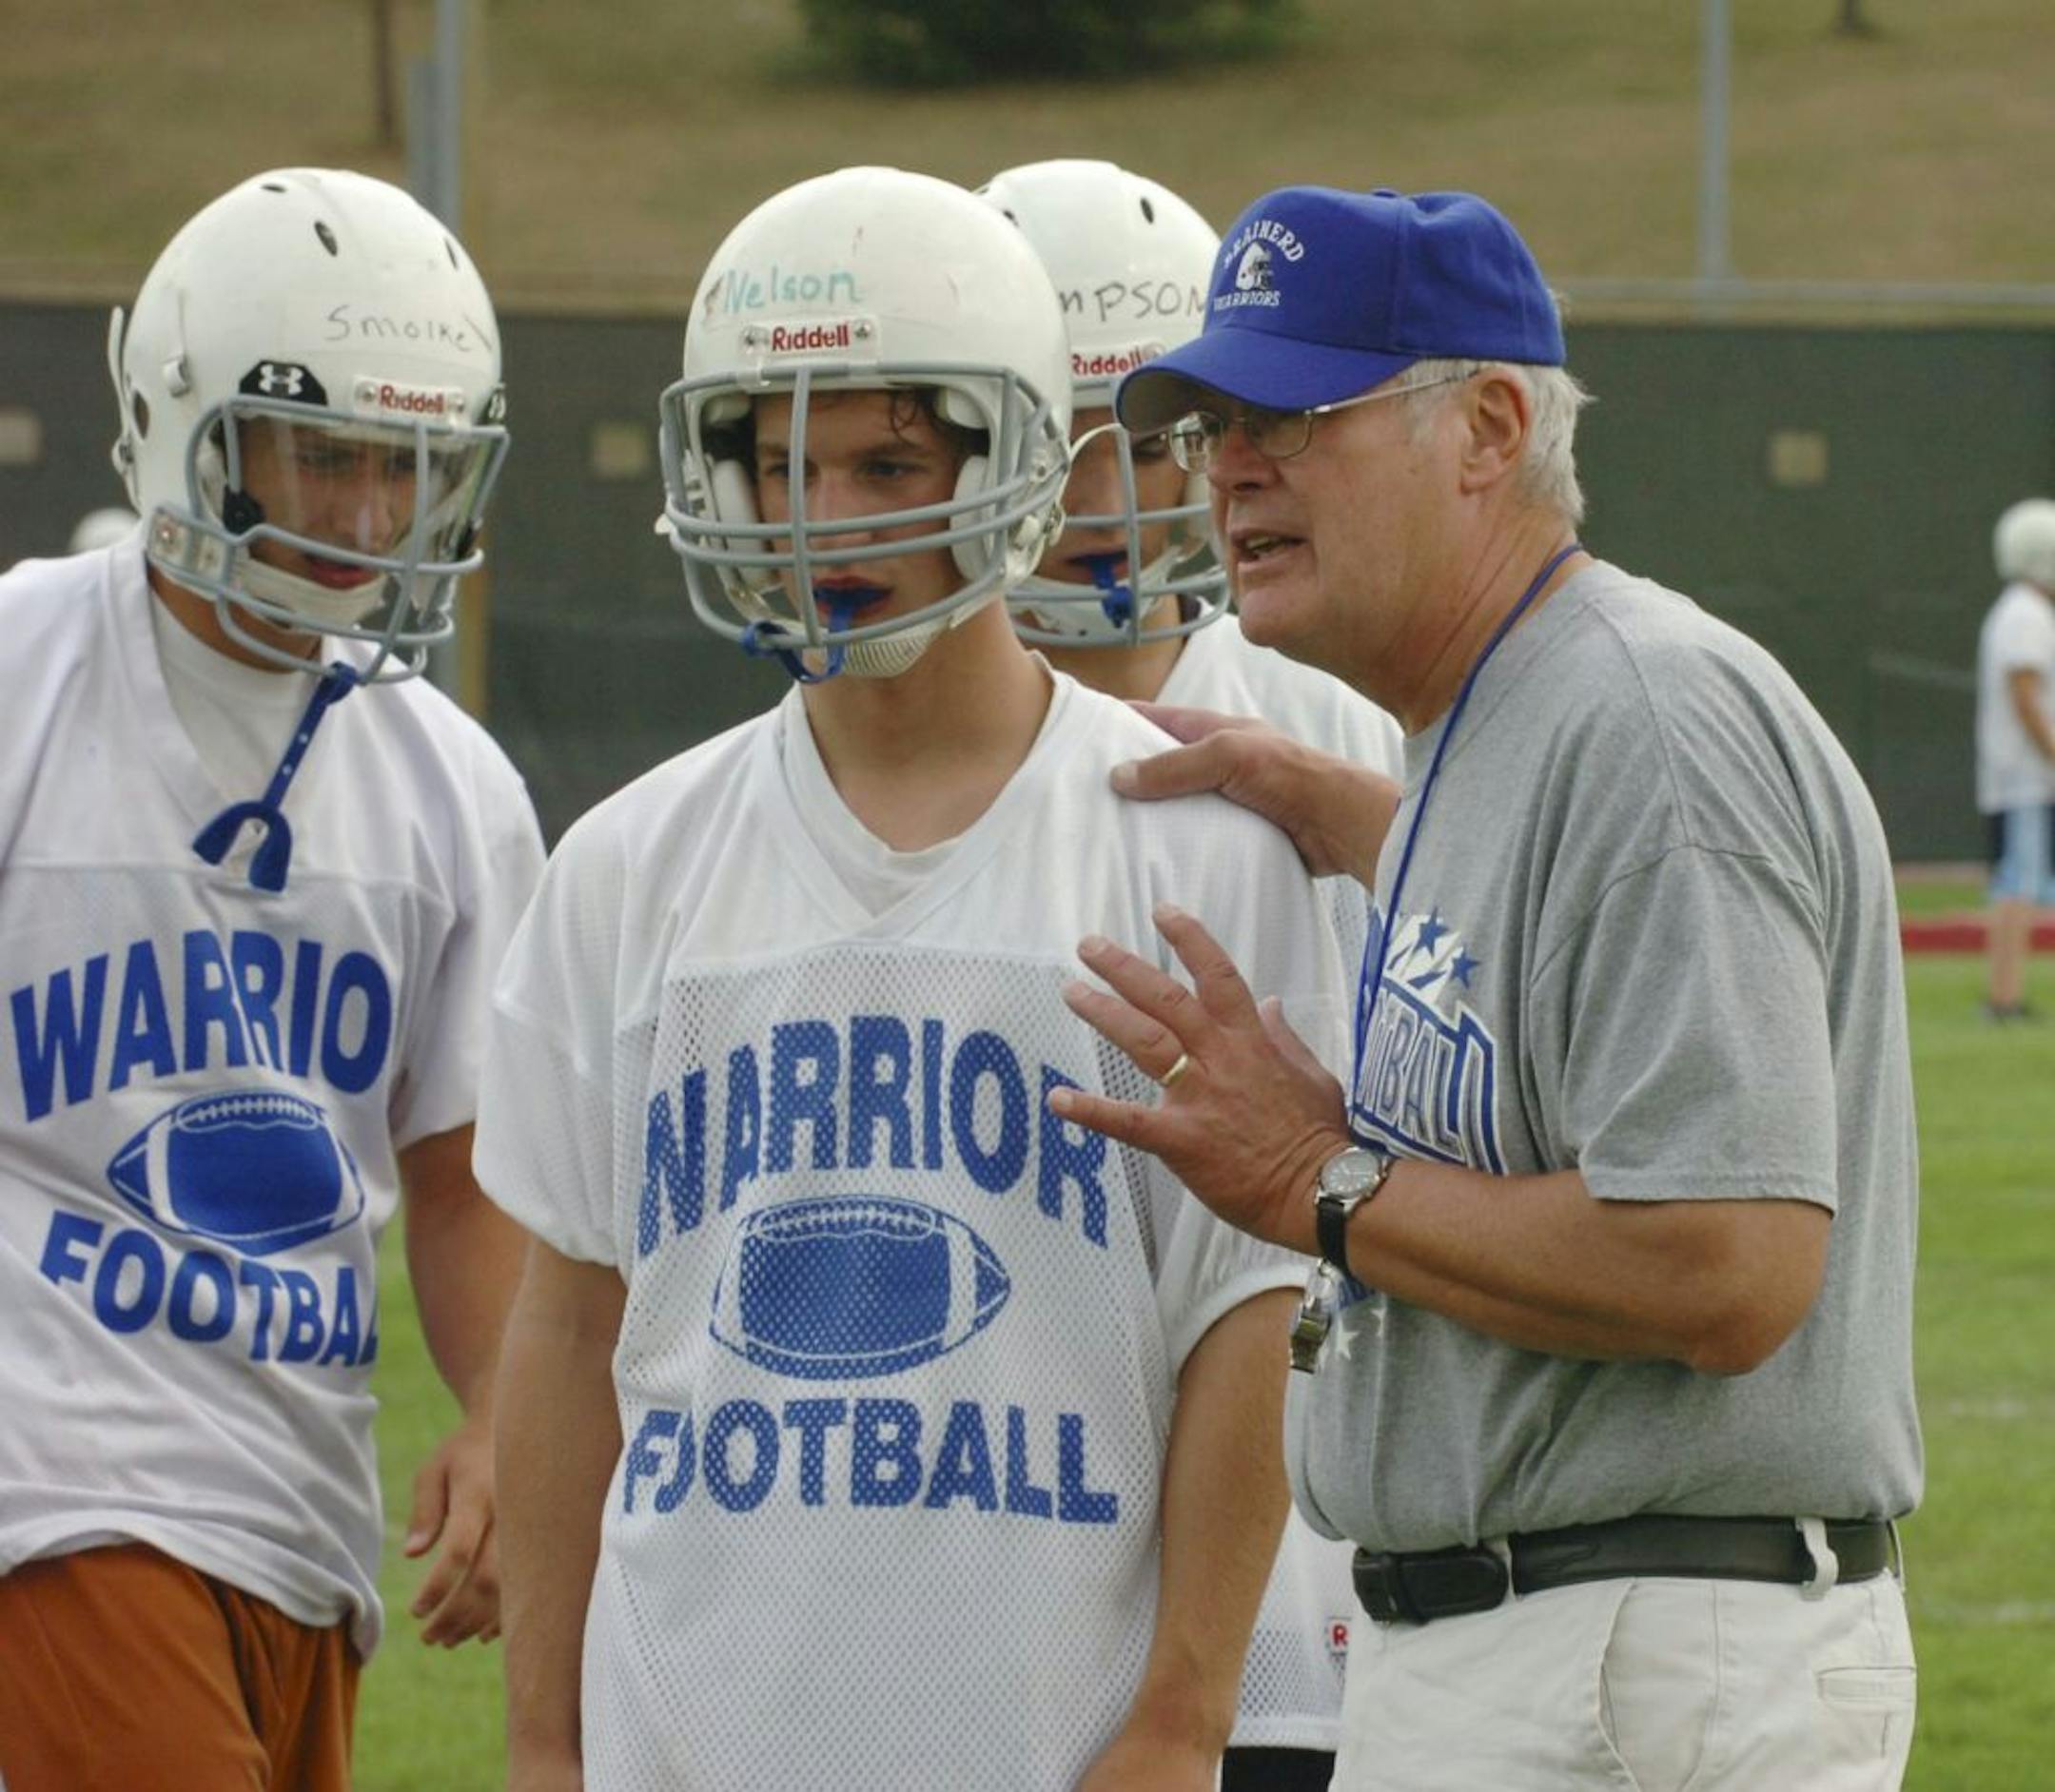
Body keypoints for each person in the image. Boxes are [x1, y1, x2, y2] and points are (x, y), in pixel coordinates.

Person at [474, 165, 1345, 1792]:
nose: (825, 515)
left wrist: (1180, 1713)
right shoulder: (625, 864)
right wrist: (541, 1739)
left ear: (1023, 461)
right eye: (780, 462)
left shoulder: (1193, 847)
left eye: (887, 459)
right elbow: (569, 1318)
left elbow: (1253, 1311)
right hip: (695, 1718)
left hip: (1054, 1720)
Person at [1046, 185, 1922, 1790]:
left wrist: (1314, 1176)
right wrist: (1372, 827)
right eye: (1215, 423)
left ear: (1490, 426)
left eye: (1296, 414)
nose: (1232, 463)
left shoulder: (1642, 718)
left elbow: (1728, 1260)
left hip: (1640, 1648)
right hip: (1556, 1634)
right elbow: (1561, 970)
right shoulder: (1504, 716)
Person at [0, 167, 544, 1792]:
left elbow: (462, 1178)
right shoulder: (23, 672)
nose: (369, 514)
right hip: (52, 1471)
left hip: (293, 1492)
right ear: (186, 423)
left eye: (404, 463)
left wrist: (506, 1412)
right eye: (325, 452)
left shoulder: (451, 786)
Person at [984, 156, 1403, 1792]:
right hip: (982, 1532)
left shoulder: (1337, 708)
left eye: (1149, 437)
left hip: (1301, 1590)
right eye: (1064, 438)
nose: (1111, 490)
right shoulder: (901, 742)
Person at [1975, 497, 2055, 1020]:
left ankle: (2005, 995)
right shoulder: (2026, 616)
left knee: (2019, 887)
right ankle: (2004, 998)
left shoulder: (2020, 612)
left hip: (2023, 779)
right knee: (2016, 891)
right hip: (2024, 779)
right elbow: (2026, 698)